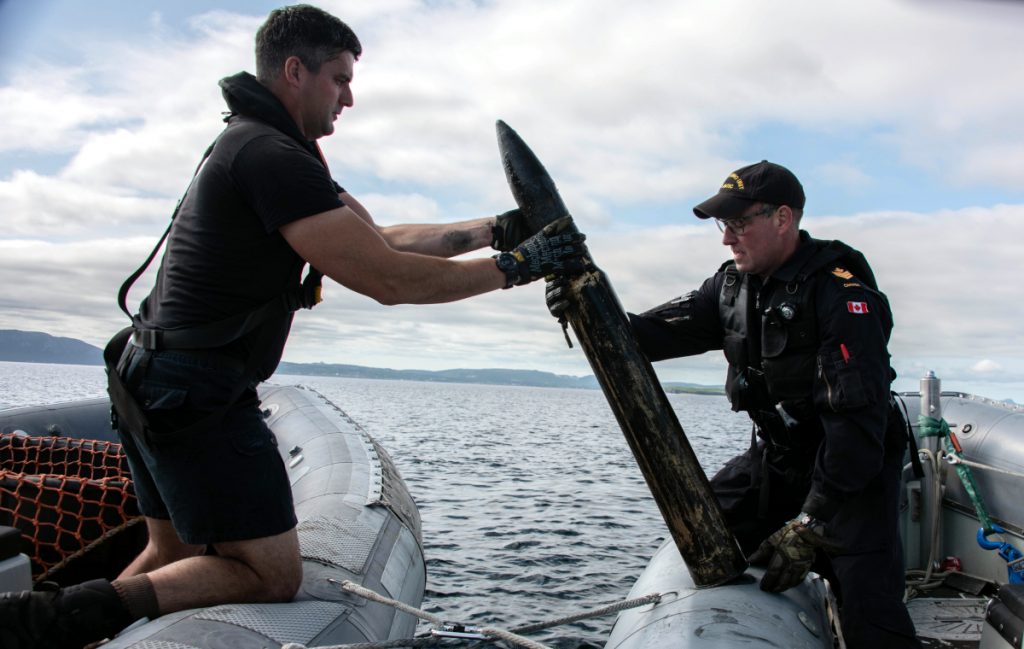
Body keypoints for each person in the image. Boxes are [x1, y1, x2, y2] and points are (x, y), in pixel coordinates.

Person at [0, 5, 585, 649]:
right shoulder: (269, 154)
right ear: (294, 70)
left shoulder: (268, 147)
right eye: (339, 78)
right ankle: (35, 622)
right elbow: (389, 280)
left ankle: (58, 633)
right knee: (269, 575)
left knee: (173, 549)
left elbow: (380, 239)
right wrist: (518, 267)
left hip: (148, 373)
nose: (350, 97)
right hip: (194, 388)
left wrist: (491, 231)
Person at [550, 160, 919, 648]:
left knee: (872, 615)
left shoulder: (840, 293)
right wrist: (582, 304)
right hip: (777, 459)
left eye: (739, 223)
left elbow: (856, 426)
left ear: (783, 218)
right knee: (702, 540)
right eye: (725, 225)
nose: (727, 238)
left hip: (850, 472)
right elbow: (644, 337)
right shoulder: (728, 287)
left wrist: (812, 523)